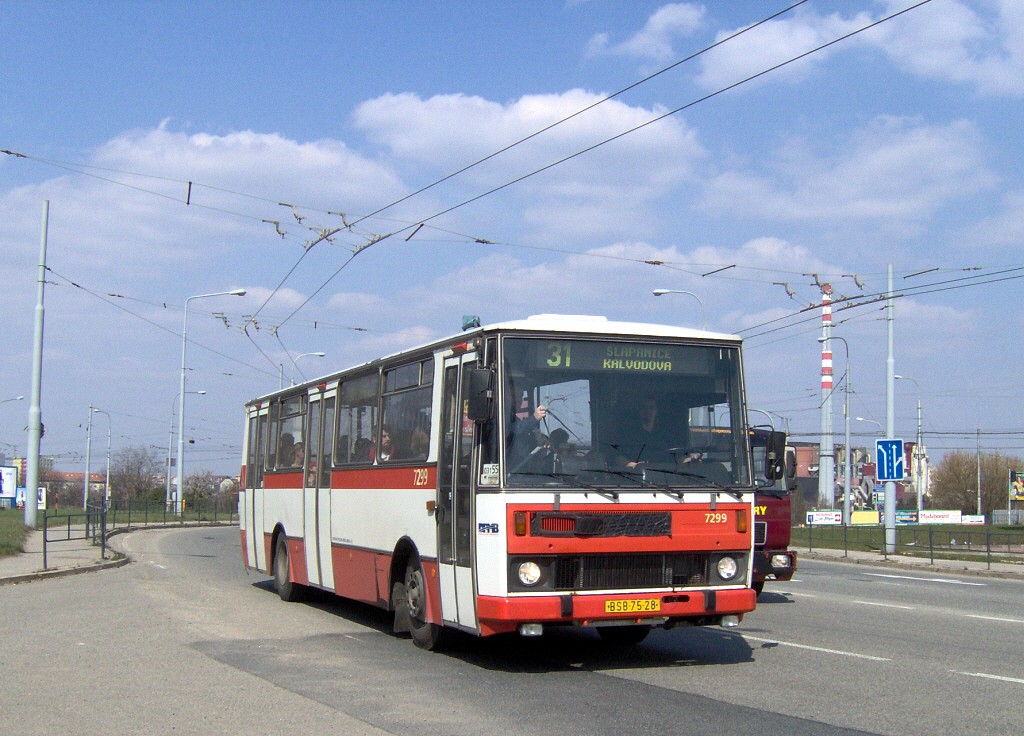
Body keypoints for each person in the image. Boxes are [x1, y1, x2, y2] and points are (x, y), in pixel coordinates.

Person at [614, 397, 681, 469]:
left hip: (666, 475)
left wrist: (687, 460)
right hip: (637, 475)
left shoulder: (666, 435)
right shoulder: (629, 435)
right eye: (644, 408)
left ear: (656, 411)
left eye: (651, 408)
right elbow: (619, 458)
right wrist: (635, 466)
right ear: (639, 411)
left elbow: (679, 457)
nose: (648, 411)